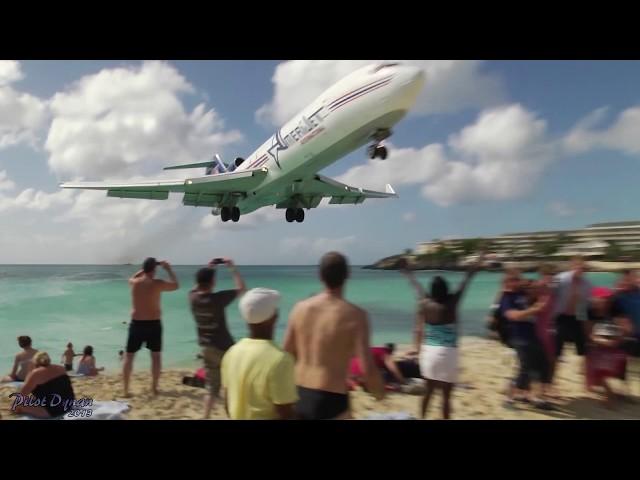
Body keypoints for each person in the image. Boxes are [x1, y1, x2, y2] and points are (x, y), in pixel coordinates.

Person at [284, 252, 384, 420]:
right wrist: (379, 392)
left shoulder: (299, 308)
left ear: (320, 276)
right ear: (348, 275)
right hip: (330, 397)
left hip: (298, 393)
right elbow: (367, 369)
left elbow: (286, 355)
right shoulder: (356, 315)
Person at [401, 253, 484, 419]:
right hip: (448, 353)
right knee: (446, 395)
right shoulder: (452, 303)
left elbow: (416, 286)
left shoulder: (425, 303)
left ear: (432, 291)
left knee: (429, 391)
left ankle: (422, 417)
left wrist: (408, 272)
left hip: (429, 352)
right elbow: (465, 282)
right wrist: (475, 266)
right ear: (446, 289)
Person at [221, 288, 297, 420]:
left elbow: (228, 403)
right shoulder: (280, 359)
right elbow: (285, 412)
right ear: (274, 318)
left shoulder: (232, 353)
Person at [189, 258, 246, 418]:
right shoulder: (218, 299)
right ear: (213, 282)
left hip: (206, 348)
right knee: (230, 385)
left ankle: (205, 416)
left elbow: (196, 288)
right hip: (225, 348)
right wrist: (232, 268)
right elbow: (242, 289)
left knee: (211, 388)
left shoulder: (192, 298)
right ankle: (231, 415)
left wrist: (209, 268)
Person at [123, 257, 179, 397]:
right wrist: (168, 269)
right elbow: (176, 285)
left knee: (129, 357)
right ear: (154, 269)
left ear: (143, 269)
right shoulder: (158, 284)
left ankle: (125, 390)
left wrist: (144, 269)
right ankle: (153, 388)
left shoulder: (134, 283)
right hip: (154, 324)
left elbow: (133, 277)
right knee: (155, 357)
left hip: (136, 324)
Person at [500, 269, 553, 410]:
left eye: (518, 279)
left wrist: (544, 284)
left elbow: (537, 288)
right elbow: (513, 316)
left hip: (532, 335)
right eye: (514, 280)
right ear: (507, 283)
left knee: (543, 365)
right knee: (526, 368)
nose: (517, 282)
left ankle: (534, 397)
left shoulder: (521, 292)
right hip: (519, 337)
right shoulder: (507, 298)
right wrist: (534, 310)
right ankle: (508, 398)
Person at [586, 287, 629, 406]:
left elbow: (625, 328)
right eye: (601, 299)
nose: (604, 301)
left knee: (621, 356)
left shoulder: (615, 308)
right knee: (596, 359)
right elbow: (589, 333)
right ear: (594, 299)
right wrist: (602, 342)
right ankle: (608, 393)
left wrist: (616, 341)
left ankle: (622, 391)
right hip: (597, 341)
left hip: (614, 340)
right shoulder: (589, 310)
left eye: (606, 298)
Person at [552, 256, 592, 364]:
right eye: (578, 267)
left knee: (582, 346)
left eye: (583, 268)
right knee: (557, 347)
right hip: (560, 316)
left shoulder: (587, 284)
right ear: (572, 266)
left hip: (576, 317)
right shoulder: (560, 279)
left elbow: (583, 304)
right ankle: (553, 371)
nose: (581, 270)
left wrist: (583, 321)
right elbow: (550, 296)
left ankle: (583, 369)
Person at [12, 352, 75, 419]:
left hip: (53, 411)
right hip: (68, 404)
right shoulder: (61, 368)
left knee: (17, 405)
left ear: (35, 362)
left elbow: (21, 395)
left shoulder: (36, 373)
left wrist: (29, 372)